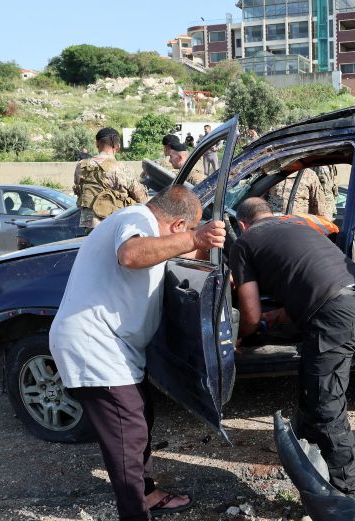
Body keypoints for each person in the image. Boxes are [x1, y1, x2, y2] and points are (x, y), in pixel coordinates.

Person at [49, 186, 226, 520]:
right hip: (95, 347)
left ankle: (147, 495)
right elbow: (130, 255)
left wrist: (203, 246)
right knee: (126, 436)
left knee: (139, 419)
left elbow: (182, 260)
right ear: (177, 225)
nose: (187, 236)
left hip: (116, 348)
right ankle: (134, 512)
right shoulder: (136, 217)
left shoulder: (152, 233)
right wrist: (195, 238)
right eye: (187, 230)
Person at [228, 197, 355, 499]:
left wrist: (238, 337)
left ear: (242, 224)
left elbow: (251, 317)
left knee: (326, 407)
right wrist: (275, 317)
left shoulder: (243, 243)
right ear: (268, 214)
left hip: (333, 313)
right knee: (314, 379)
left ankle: (349, 498)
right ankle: (305, 443)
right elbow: (307, 284)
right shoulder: (297, 223)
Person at [74, 128, 147, 233]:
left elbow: (77, 185)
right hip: (116, 224)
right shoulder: (123, 169)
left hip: (91, 225)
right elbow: (141, 199)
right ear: (117, 147)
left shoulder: (81, 166)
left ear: (97, 144)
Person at [265, 167, 335, 219]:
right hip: (274, 224)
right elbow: (261, 199)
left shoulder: (309, 175)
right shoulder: (272, 173)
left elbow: (319, 206)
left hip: (298, 225)